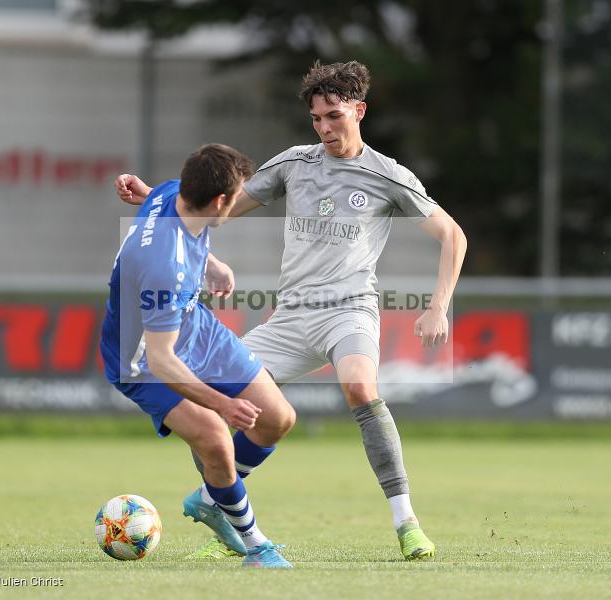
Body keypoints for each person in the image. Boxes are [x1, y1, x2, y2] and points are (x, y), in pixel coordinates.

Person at [116, 61, 467, 560]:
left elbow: (453, 234)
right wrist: (153, 197)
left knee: (360, 388)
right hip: (289, 317)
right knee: (214, 404)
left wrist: (438, 307)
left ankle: (406, 521)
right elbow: (221, 206)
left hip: (349, 309)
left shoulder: (386, 175)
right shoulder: (295, 164)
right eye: (317, 118)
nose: (324, 127)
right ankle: (224, 513)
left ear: (359, 111)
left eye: (334, 115)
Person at [100, 143, 296, 567]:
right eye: (237, 196)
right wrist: (223, 404)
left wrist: (210, 262)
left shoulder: (173, 192)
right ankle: (256, 545)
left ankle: (213, 498)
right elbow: (160, 361)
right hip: (142, 359)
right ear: (220, 200)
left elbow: (166, 215)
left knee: (278, 418)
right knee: (216, 440)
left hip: (195, 325)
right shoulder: (162, 270)